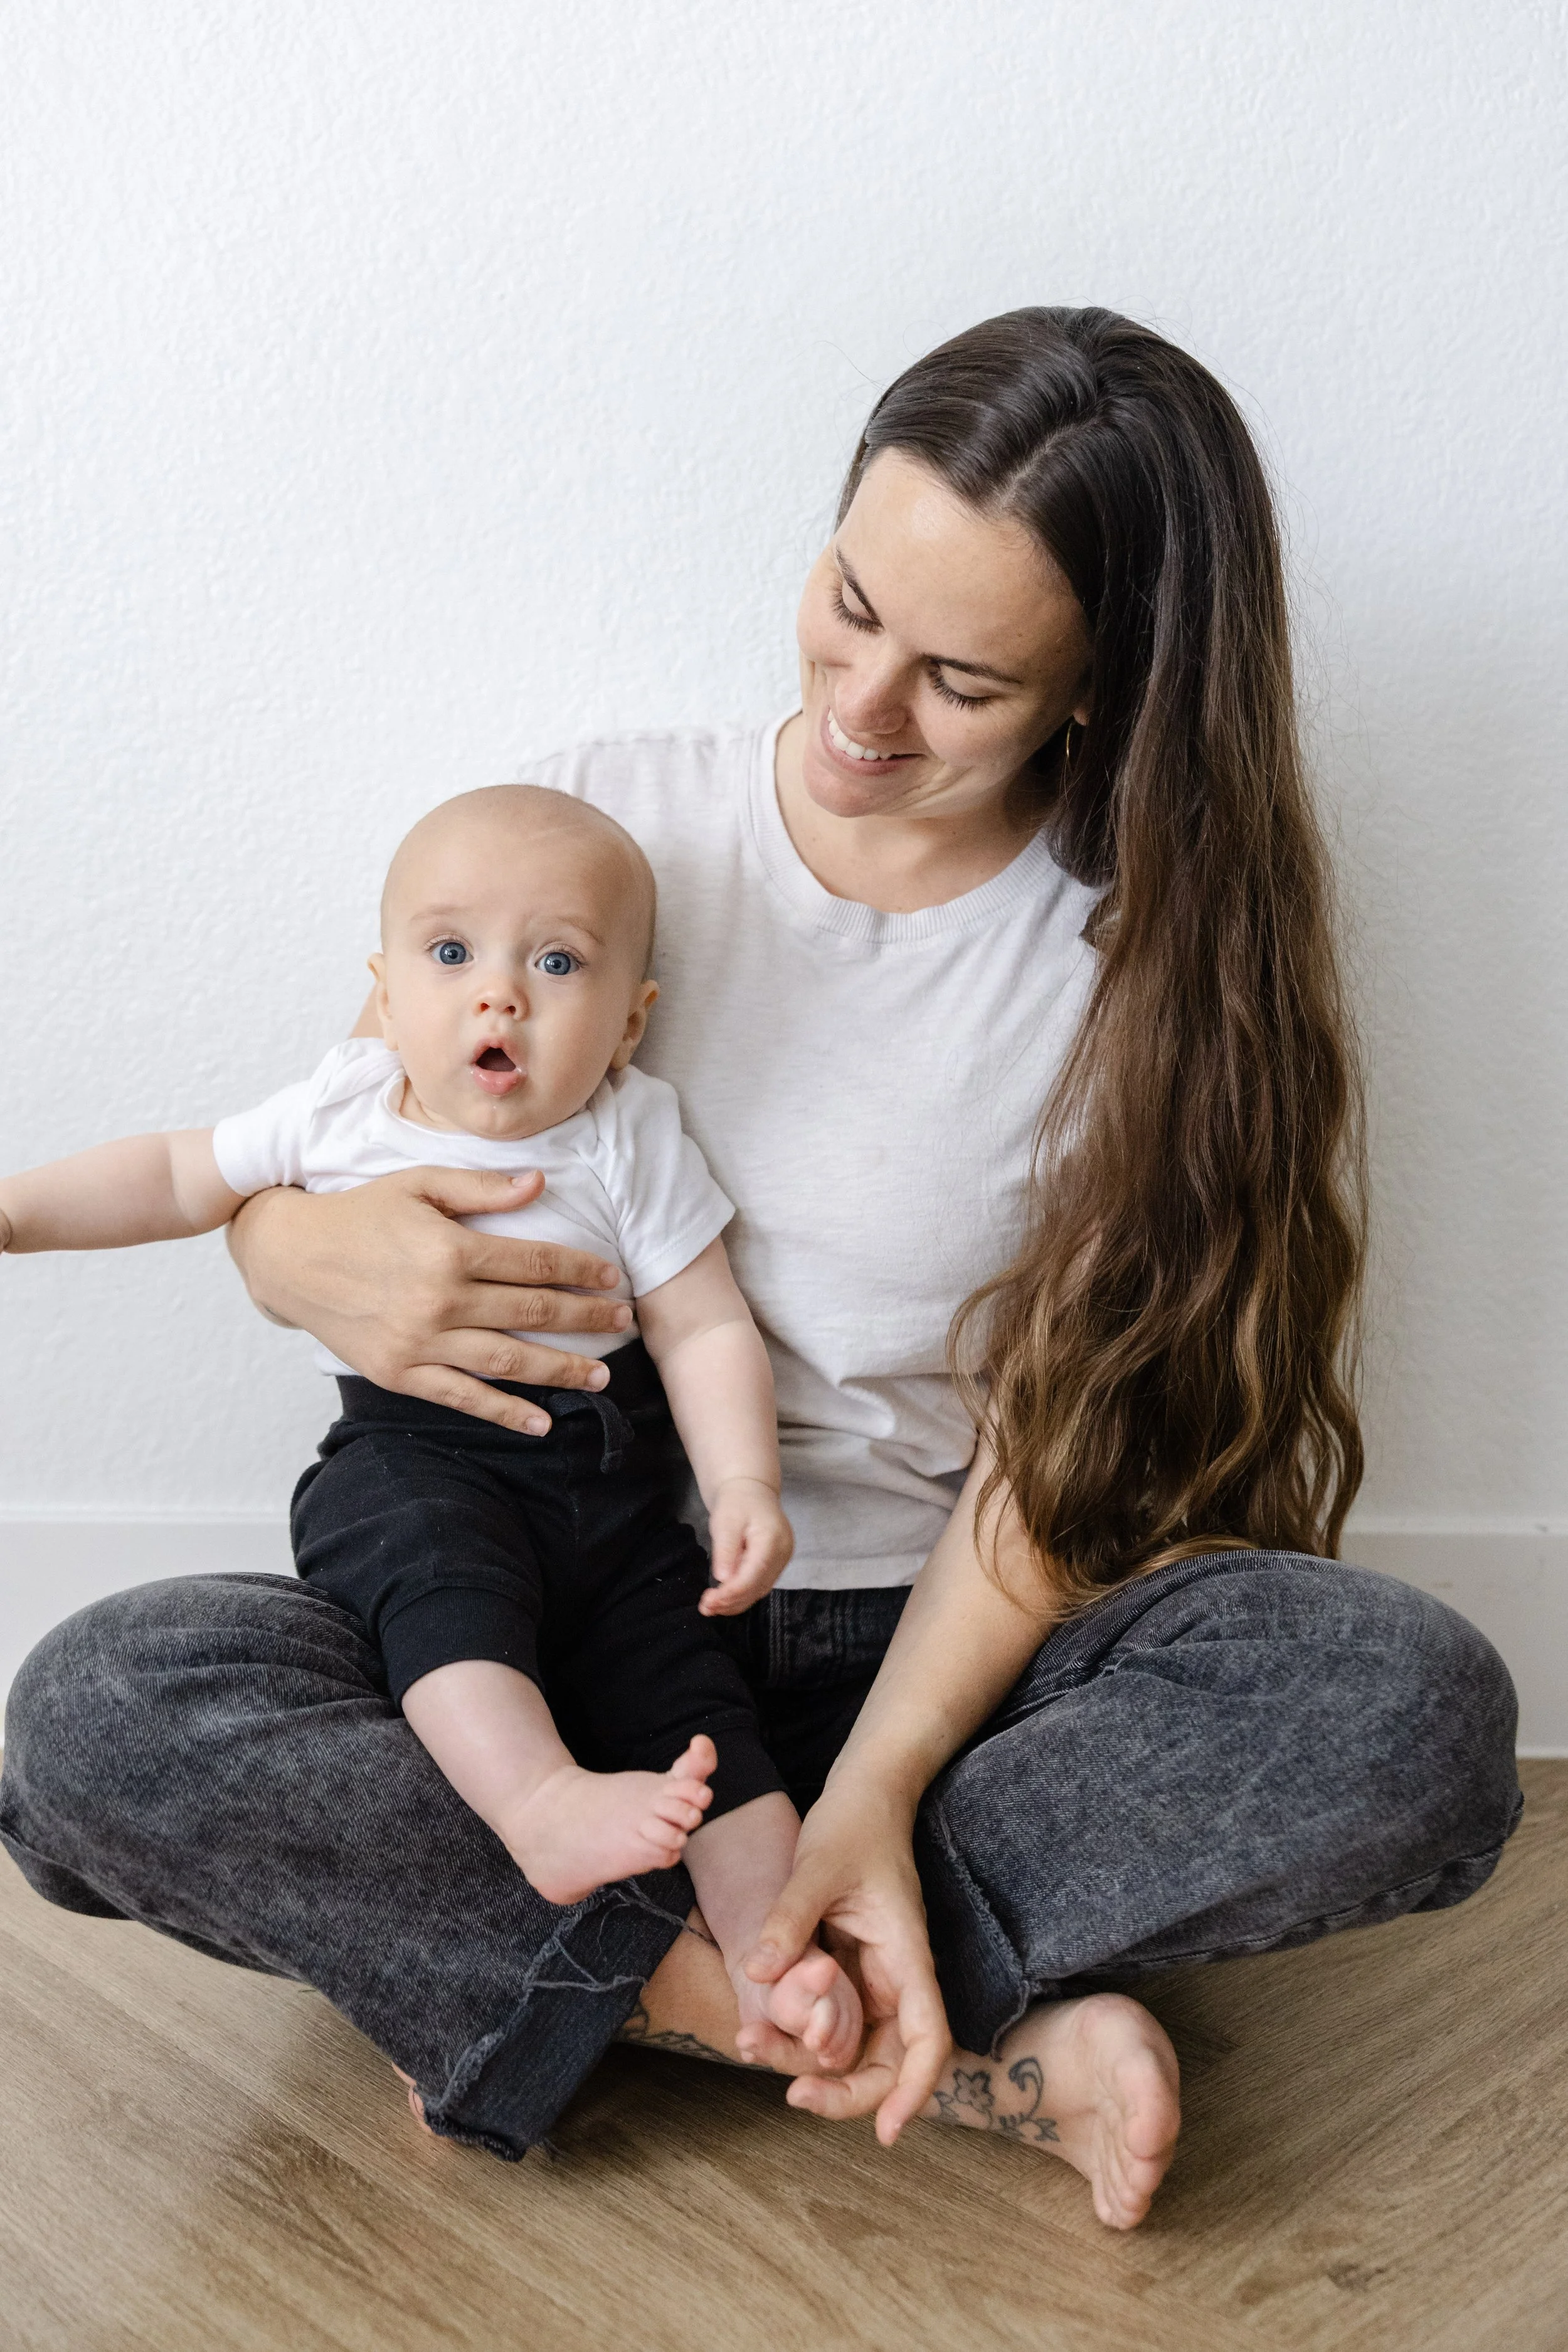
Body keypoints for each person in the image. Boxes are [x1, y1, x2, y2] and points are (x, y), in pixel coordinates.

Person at [0, 307, 1521, 2230]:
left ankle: (608, 1976)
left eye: (962, 678)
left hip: (930, 1660)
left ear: (1099, 692)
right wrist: (293, 1254)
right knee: (101, 1706)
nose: (864, 704)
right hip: (544, 1635)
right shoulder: (602, 825)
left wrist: (878, 1791)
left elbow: (1071, 1458)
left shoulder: (1144, 968)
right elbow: (327, 1144)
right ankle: (880, 2026)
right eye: (848, 600)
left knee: (1410, 1709)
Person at [0, 783, 868, 2071]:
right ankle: (537, 1804)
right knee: (444, 1604)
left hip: (613, 1499)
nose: (497, 996)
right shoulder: (344, 1105)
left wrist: (744, 1482)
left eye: (555, 962)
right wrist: (15, 1215)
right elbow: (179, 1175)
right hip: (416, 1467)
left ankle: (771, 1964)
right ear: (385, 989)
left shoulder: (631, 1137)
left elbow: (701, 1326)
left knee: (702, 1726)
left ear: (629, 1022)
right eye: (450, 955)